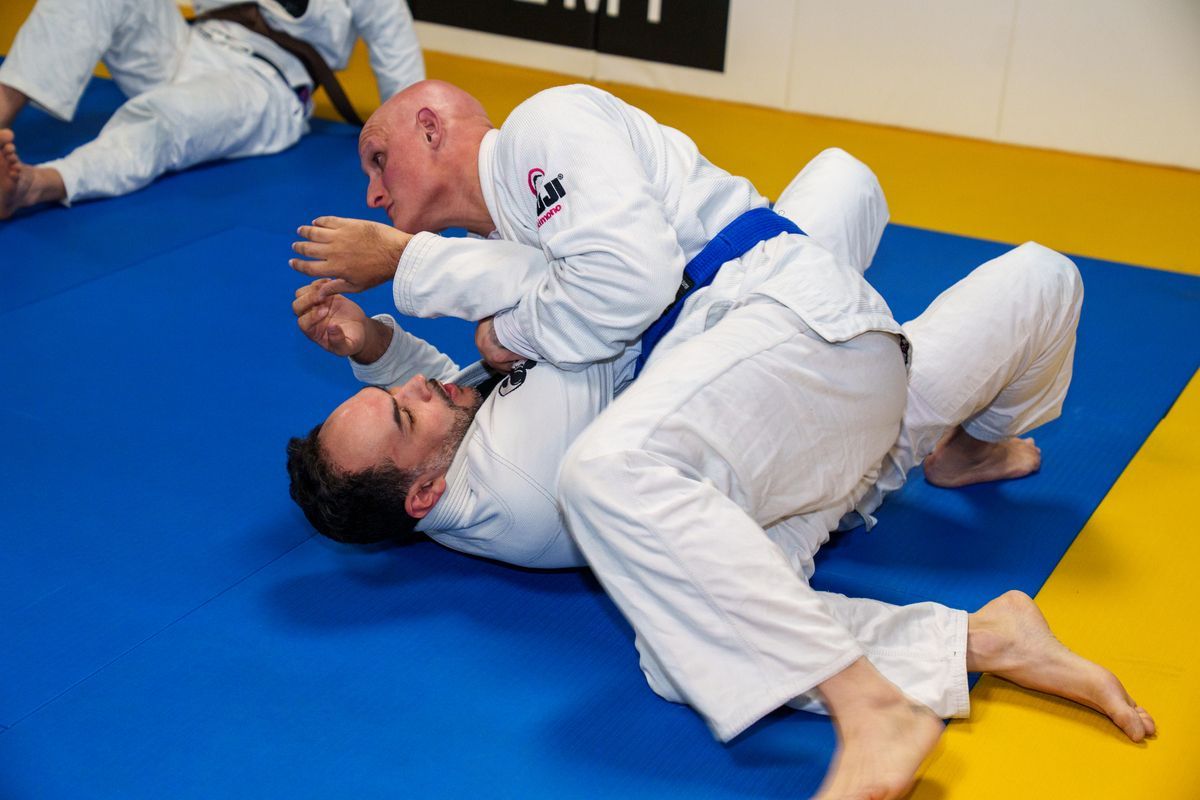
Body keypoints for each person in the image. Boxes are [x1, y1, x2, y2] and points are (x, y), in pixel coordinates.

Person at [287, 144, 1152, 800]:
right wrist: (409, 255)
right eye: (404, 408)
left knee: (865, 191)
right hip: (808, 435)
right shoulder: (521, 471)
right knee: (1034, 273)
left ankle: (966, 464)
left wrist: (370, 347)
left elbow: (465, 383)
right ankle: (976, 628)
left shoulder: (456, 464)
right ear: (428, 492)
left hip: (770, 387)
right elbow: (586, 300)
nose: (419, 387)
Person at [0, 0, 424, 219]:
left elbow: (403, 76)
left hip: (265, 83)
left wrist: (407, 165)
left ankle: (34, 185)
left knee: (169, 116)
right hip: (187, 44)